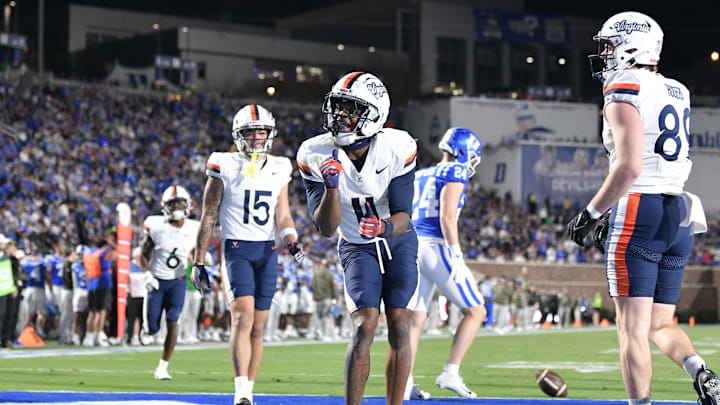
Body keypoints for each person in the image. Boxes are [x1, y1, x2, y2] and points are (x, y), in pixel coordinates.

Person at [567, 11, 719, 405]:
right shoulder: (676, 89)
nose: (603, 55)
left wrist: (592, 213)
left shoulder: (623, 84)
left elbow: (630, 166)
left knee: (631, 330)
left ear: (632, 46)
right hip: (680, 213)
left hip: (639, 208)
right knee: (660, 323)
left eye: (608, 45)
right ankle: (700, 371)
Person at [297, 71, 418, 405]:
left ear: (375, 114)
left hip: (397, 240)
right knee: (365, 326)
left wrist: (382, 228)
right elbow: (324, 227)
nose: (340, 116)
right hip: (354, 244)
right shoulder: (315, 153)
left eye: (351, 109)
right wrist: (331, 188)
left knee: (400, 322)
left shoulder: (397, 146)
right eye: (338, 107)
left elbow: (404, 216)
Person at [192, 104, 304, 405]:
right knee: (242, 319)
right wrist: (198, 261)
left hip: (267, 251)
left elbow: (283, 214)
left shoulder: (281, 166)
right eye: (250, 132)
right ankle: (240, 392)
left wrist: (291, 239)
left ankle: (249, 390)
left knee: (258, 327)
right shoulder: (223, 163)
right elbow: (208, 214)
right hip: (236, 250)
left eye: (261, 131)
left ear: (270, 134)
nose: (256, 137)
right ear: (238, 135)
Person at [406, 127, 486, 400]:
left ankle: (404, 381)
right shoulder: (455, 171)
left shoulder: (421, 173)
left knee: (415, 319)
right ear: (463, 152)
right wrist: (457, 254)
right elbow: (447, 218)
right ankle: (450, 372)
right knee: (476, 311)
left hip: (412, 246)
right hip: (435, 246)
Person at [139, 184, 200, 379]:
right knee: (153, 327)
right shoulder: (156, 225)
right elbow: (143, 254)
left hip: (178, 280)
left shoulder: (194, 228)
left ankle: (163, 367)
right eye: (172, 204)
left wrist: (200, 259)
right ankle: (147, 328)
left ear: (187, 206)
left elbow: (193, 251)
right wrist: (147, 274)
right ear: (165, 206)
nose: (176, 208)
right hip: (157, 280)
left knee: (174, 320)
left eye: (180, 204)